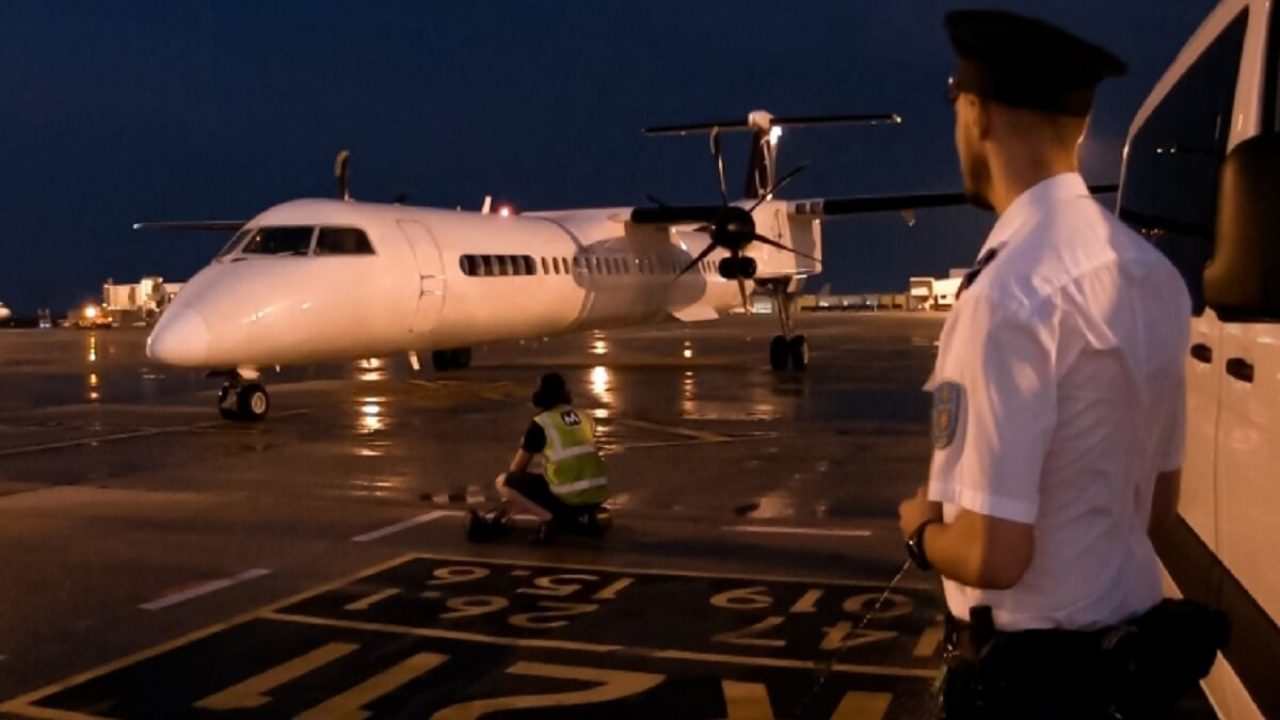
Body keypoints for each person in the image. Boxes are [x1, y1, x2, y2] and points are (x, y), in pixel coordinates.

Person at [896, 10, 1224, 718]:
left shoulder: (1007, 294)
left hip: (1031, 681)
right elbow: (1156, 506)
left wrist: (920, 529)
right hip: (1129, 670)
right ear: (1080, 125)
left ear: (977, 114)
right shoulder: (1155, 277)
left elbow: (993, 555)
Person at [495, 372, 609, 541]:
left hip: (569, 497)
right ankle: (585, 515)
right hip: (596, 495)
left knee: (505, 481)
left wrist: (507, 505)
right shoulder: (585, 417)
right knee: (553, 474)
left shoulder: (542, 423)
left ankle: (553, 519)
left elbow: (517, 468)